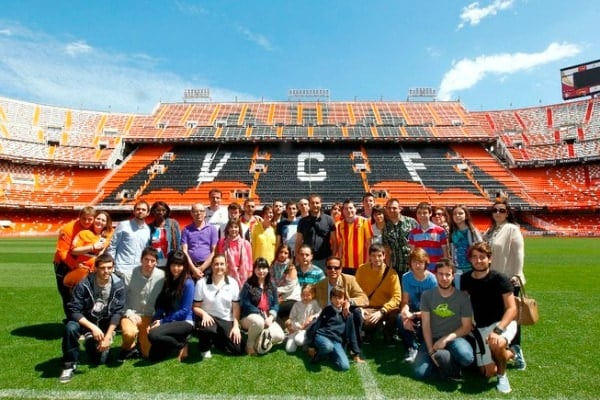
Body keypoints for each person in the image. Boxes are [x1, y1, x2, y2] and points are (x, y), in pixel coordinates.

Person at [461, 242, 518, 394]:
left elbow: (512, 309)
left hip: (503, 323)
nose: (478, 261)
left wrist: (498, 330)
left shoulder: (500, 279)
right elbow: (464, 301)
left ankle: (502, 376)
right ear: (470, 260)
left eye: (482, 257)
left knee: (496, 344)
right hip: (481, 326)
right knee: (487, 372)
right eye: (474, 257)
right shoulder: (466, 279)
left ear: (490, 259)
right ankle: (512, 353)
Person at [59, 253, 125, 383]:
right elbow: (73, 310)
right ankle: (69, 364)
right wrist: (92, 327)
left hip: (105, 324)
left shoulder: (119, 285)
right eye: (102, 268)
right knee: (71, 327)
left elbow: (118, 312)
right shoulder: (83, 284)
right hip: (86, 322)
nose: (106, 271)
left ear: (113, 268)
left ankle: (94, 342)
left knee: (99, 361)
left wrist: (107, 336)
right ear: (96, 268)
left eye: (109, 267)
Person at [483, 198, 526, 370]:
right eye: (495, 210)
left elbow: (519, 252)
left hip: (508, 279)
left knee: (511, 317)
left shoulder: (512, 229)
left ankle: (516, 351)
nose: (498, 213)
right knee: (496, 315)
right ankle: (499, 348)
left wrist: (517, 273)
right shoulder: (490, 230)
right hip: (491, 280)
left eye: (501, 210)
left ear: (507, 213)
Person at [414, 259, 474, 380]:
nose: (444, 278)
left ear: (453, 276)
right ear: (435, 275)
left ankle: (446, 361)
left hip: (454, 338)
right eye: (441, 274)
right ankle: (446, 362)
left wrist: (445, 339)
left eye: (448, 274)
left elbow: (467, 327)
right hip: (433, 338)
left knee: (466, 357)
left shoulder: (463, 297)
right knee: (420, 373)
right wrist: (431, 351)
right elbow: (425, 324)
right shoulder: (427, 295)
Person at [118, 247, 165, 361]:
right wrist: (129, 313)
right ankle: (128, 347)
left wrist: (158, 317)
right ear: (141, 260)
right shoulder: (129, 275)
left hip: (150, 317)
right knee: (130, 333)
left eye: (152, 261)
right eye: (146, 260)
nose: (149, 264)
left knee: (148, 355)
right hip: (131, 315)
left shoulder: (162, 276)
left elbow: (164, 300)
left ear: (156, 262)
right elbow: (121, 300)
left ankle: (141, 342)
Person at [147, 250, 194, 362]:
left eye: (179, 265)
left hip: (185, 322)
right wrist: (154, 321)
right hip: (169, 321)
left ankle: (180, 344)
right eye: (173, 264)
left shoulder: (189, 283)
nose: (176, 268)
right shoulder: (168, 281)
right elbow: (161, 305)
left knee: (153, 335)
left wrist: (162, 322)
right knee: (153, 356)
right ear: (169, 265)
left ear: (184, 266)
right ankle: (177, 340)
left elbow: (185, 310)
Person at [193, 254, 243, 358]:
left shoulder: (233, 283)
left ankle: (215, 340)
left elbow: (236, 307)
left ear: (226, 266)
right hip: (209, 318)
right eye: (216, 264)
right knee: (208, 329)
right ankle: (204, 348)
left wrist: (236, 326)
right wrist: (204, 314)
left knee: (237, 349)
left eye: (222, 264)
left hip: (226, 319)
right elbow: (195, 306)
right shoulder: (201, 283)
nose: (219, 267)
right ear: (211, 266)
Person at [306, 286, 365, 371]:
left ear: (344, 299)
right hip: (323, 336)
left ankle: (328, 354)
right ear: (331, 299)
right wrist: (311, 345)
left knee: (345, 367)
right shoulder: (327, 310)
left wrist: (356, 354)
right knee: (327, 346)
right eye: (335, 297)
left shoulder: (348, 315)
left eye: (340, 298)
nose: (337, 300)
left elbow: (352, 334)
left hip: (337, 341)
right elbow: (317, 325)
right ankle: (318, 355)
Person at [315, 256, 368, 349]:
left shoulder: (349, 280)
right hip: (327, 316)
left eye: (336, 268)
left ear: (341, 269)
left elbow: (364, 299)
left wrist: (349, 302)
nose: (333, 270)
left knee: (356, 312)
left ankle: (355, 346)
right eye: (329, 267)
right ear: (325, 269)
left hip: (343, 314)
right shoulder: (319, 285)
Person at [53, 206, 95, 318]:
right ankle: (72, 322)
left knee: (85, 294)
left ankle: (85, 322)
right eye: (84, 218)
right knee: (68, 295)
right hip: (64, 265)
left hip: (83, 265)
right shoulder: (68, 229)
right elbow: (62, 252)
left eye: (90, 219)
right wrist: (74, 265)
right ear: (79, 217)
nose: (87, 222)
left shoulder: (93, 228)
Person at [355, 243, 401, 344]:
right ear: (369, 257)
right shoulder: (362, 270)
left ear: (384, 256)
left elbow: (397, 297)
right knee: (366, 321)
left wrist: (383, 311)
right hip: (369, 307)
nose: (377, 259)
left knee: (395, 315)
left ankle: (389, 334)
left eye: (379, 255)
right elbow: (355, 291)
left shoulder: (392, 273)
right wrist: (360, 308)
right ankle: (369, 332)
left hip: (386, 308)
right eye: (373, 256)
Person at [398, 248, 437, 363]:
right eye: (414, 262)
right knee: (400, 318)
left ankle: (425, 344)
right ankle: (411, 347)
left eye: (421, 262)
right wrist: (405, 314)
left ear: (426, 263)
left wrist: (414, 315)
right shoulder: (406, 277)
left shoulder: (432, 279)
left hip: (427, 310)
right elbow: (405, 301)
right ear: (410, 263)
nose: (417, 265)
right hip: (413, 308)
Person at [239, 257, 285, 355]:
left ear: (268, 269)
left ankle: (258, 340)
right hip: (249, 317)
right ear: (254, 269)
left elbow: (276, 304)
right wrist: (261, 315)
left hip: (267, 316)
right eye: (258, 268)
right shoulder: (248, 284)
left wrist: (271, 317)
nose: (261, 271)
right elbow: (245, 303)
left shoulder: (271, 284)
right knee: (258, 322)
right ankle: (249, 345)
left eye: (264, 268)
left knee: (280, 336)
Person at [65, 210, 114, 288]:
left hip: (100, 274)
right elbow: (73, 251)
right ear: (94, 219)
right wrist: (92, 247)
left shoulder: (109, 234)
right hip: (83, 272)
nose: (100, 221)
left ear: (106, 223)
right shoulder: (84, 233)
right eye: (98, 219)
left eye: (103, 220)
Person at [107, 200, 151, 277]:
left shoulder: (148, 230)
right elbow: (112, 246)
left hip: (138, 271)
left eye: (143, 210)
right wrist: (111, 267)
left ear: (148, 213)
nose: (140, 211)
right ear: (134, 211)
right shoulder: (123, 225)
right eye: (138, 209)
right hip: (121, 270)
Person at [295, 193, 336, 269]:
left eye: (317, 203)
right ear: (309, 205)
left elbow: (334, 241)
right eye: (312, 203)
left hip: (324, 259)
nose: (315, 205)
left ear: (321, 204)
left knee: (324, 280)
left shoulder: (329, 220)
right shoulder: (303, 221)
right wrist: (298, 258)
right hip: (307, 260)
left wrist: (332, 258)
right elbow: (298, 242)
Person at [181, 203, 218, 280]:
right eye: (196, 211)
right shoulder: (186, 230)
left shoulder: (212, 229)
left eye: (201, 211)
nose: (199, 213)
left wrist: (201, 268)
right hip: (190, 267)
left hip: (207, 267)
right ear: (191, 213)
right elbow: (184, 251)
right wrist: (194, 269)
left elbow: (214, 251)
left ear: (205, 213)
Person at [409, 201, 449, 272]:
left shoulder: (440, 231)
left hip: (436, 271)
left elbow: (445, 254)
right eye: (419, 213)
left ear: (430, 214)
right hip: (420, 271)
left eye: (425, 213)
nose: (422, 215)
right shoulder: (413, 233)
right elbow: (412, 254)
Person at [449, 204, 482, 289]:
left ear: (466, 215)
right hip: (458, 270)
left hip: (471, 269)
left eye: (460, 213)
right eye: (455, 214)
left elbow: (481, 249)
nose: (457, 216)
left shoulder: (472, 231)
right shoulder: (453, 233)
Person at [335, 199, 373, 275]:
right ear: (343, 211)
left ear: (355, 209)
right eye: (346, 208)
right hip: (346, 264)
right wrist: (340, 260)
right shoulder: (340, 225)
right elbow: (341, 245)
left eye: (351, 208)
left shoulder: (364, 221)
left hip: (361, 264)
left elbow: (369, 243)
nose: (349, 210)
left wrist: (367, 261)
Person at [381, 198, 417, 275]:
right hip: (396, 267)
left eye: (394, 208)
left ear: (400, 209)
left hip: (413, 266)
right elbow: (387, 250)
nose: (391, 210)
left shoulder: (411, 222)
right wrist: (388, 268)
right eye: (389, 208)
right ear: (386, 209)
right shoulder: (386, 228)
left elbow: (420, 244)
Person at [216, 219, 253, 288]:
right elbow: (219, 260)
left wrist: (249, 276)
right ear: (228, 229)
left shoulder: (246, 244)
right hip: (226, 277)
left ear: (239, 228)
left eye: (236, 227)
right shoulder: (222, 243)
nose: (233, 229)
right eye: (231, 227)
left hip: (243, 278)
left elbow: (250, 264)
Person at [284, 284, 321, 353]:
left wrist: (312, 316)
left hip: (306, 330)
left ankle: (305, 342)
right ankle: (291, 338)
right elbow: (292, 318)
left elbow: (320, 312)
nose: (305, 297)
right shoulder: (297, 305)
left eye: (308, 295)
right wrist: (297, 325)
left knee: (299, 341)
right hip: (296, 329)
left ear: (313, 295)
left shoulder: (314, 303)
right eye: (303, 295)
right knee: (289, 350)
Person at [270, 243, 301, 321]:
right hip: (277, 296)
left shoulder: (291, 268)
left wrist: (276, 291)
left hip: (290, 298)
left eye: (286, 253)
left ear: (289, 255)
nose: (282, 255)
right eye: (281, 252)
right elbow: (270, 282)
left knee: (276, 310)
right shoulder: (273, 265)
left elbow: (289, 287)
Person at [148, 201, 181, 268]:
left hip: (170, 263)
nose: (161, 212)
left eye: (163, 210)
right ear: (153, 211)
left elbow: (179, 243)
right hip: (154, 263)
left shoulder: (173, 224)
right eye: (158, 210)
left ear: (167, 211)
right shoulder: (149, 227)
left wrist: (178, 260)